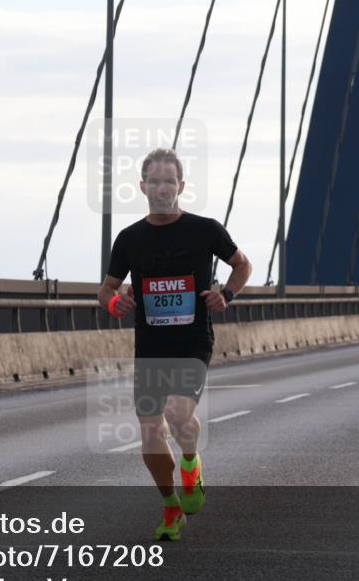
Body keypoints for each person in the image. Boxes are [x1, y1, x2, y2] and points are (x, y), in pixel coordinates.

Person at [98, 148, 252, 541]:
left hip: (191, 340)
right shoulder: (130, 238)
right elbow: (106, 290)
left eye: (170, 181)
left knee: (178, 414)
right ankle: (170, 507)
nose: (162, 188)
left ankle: (190, 461)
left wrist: (226, 295)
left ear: (181, 186)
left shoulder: (205, 229)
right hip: (150, 345)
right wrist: (117, 303)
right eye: (155, 181)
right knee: (150, 432)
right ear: (143, 186)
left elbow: (242, 264)